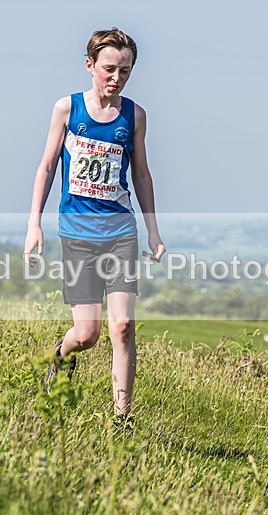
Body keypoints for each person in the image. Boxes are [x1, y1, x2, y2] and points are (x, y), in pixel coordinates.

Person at [24, 28, 166, 430]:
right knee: (87, 334)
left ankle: (122, 419)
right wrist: (34, 224)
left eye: (125, 70)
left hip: (121, 232)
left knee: (123, 326)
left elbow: (141, 174)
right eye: (109, 69)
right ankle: (60, 355)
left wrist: (153, 232)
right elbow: (46, 167)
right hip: (78, 234)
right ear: (90, 65)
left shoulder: (134, 116)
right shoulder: (67, 109)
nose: (116, 78)